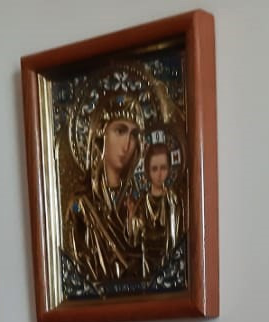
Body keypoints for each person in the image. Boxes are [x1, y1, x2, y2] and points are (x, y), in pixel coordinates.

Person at [62, 91, 145, 284]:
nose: (127, 144)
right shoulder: (80, 206)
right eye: (120, 131)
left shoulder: (142, 201)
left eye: (134, 135)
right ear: (102, 135)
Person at [131, 140, 185, 279]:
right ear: (147, 171)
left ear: (169, 169)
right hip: (146, 261)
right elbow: (134, 237)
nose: (159, 174)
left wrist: (170, 259)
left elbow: (176, 234)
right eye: (154, 169)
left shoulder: (172, 199)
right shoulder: (142, 202)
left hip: (167, 258)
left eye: (163, 168)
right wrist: (132, 219)